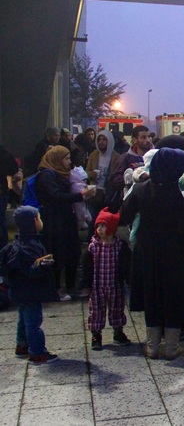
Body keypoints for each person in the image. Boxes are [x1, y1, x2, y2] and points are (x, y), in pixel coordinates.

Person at [120, 148, 184, 360]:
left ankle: (152, 346)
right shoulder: (182, 191)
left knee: (151, 292)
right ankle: (171, 347)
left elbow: (125, 213)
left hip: (147, 248)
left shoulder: (142, 189)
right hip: (174, 250)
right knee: (173, 294)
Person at [1, 206, 59, 364]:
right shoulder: (30, 245)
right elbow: (30, 271)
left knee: (23, 317)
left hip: (20, 292)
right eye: (39, 217)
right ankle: (37, 352)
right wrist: (42, 265)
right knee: (33, 323)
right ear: (34, 221)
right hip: (31, 291)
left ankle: (22, 345)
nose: (41, 221)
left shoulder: (19, 242)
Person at [35, 146, 94, 300]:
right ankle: (56, 289)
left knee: (72, 252)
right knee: (58, 253)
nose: (69, 162)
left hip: (66, 219)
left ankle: (71, 286)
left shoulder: (61, 174)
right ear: (56, 159)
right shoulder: (47, 175)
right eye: (66, 159)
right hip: (54, 220)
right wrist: (79, 196)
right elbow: (55, 196)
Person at [84, 208, 132, 350]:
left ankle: (118, 332)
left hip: (114, 284)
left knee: (117, 308)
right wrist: (85, 283)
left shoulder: (119, 246)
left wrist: (129, 279)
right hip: (97, 285)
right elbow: (85, 266)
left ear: (111, 228)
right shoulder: (93, 246)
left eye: (103, 226)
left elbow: (126, 265)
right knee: (96, 310)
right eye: (98, 226)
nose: (99, 229)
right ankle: (96, 334)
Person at [109, 126, 152, 211]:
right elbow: (115, 180)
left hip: (150, 202)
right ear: (135, 140)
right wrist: (133, 178)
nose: (147, 140)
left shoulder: (155, 156)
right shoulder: (126, 157)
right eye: (143, 137)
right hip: (131, 202)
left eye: (149, 136)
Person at [85, 129, 120, 233]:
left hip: (109, 193)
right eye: (99, 139)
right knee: (92, 220)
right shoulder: (94, 155)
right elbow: (86, 171)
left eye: (104, 139)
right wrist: (93, 174)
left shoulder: (116, 157)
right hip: (94, 192)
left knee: (107, 220)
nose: (101, 142)